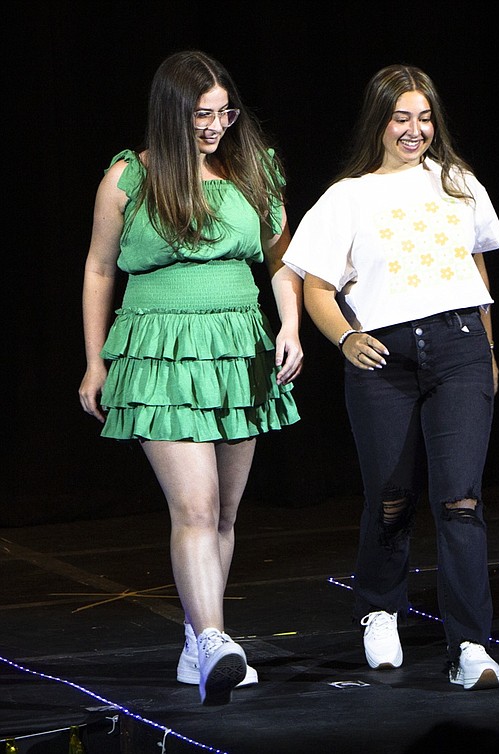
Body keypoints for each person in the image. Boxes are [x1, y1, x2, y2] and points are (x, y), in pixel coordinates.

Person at [78, 50, 303, 705]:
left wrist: (289, 326)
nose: (215, 126)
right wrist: (96, 359)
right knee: (196, 507)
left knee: (226, 512)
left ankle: (196, 643)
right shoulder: (128, 177)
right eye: (201, 114)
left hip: (238, 347)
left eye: (224, 112)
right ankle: (212, 640)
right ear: (171, 112)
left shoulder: (253, 166)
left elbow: (285, 259)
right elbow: (99, 268)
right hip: (161, 349)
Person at [282, 64, 499, 690]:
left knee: (460, 498)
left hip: (460, 346)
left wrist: (486, 348)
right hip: (386, 357)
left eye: (425, 117)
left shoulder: (458, 182)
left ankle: (470, 647)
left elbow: (477, 269)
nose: (415, 130)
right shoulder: (347, 196)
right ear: (379, 121)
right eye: (402, 117)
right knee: (392, 494)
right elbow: (316, 285)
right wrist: (347, 337)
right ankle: (380, 609)